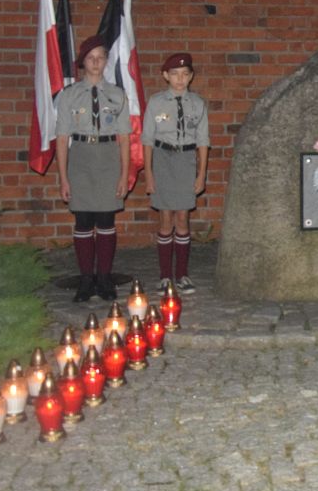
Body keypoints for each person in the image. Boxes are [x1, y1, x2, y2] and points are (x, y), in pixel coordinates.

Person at [55, 35, 131, 302]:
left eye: (101, 57)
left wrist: (124, 174)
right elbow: (63, 139)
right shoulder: (69, 96)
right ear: (82, 63)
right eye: (91, 58)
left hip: (108, 157)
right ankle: (86, 278)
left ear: (106, 61)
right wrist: (64, 178)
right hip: (82, 158)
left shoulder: (118, 95)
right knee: (84, 220)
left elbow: (124, 138)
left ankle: (105, 277)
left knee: (107, 220)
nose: (96, 62)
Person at [142, 53, 210, 294]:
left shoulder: (197, 104)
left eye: (184, 75)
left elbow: (203, 141)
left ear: (191, 77)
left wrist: (201, 175)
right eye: (174, 75)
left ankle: (182, 274)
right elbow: (147, 140)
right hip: (163, 159)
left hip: (185, 160)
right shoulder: (156, 102)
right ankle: (164, 276)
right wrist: (149, 174)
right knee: (165, 219)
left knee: (182, 218)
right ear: (165, 76)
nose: (180, 79)